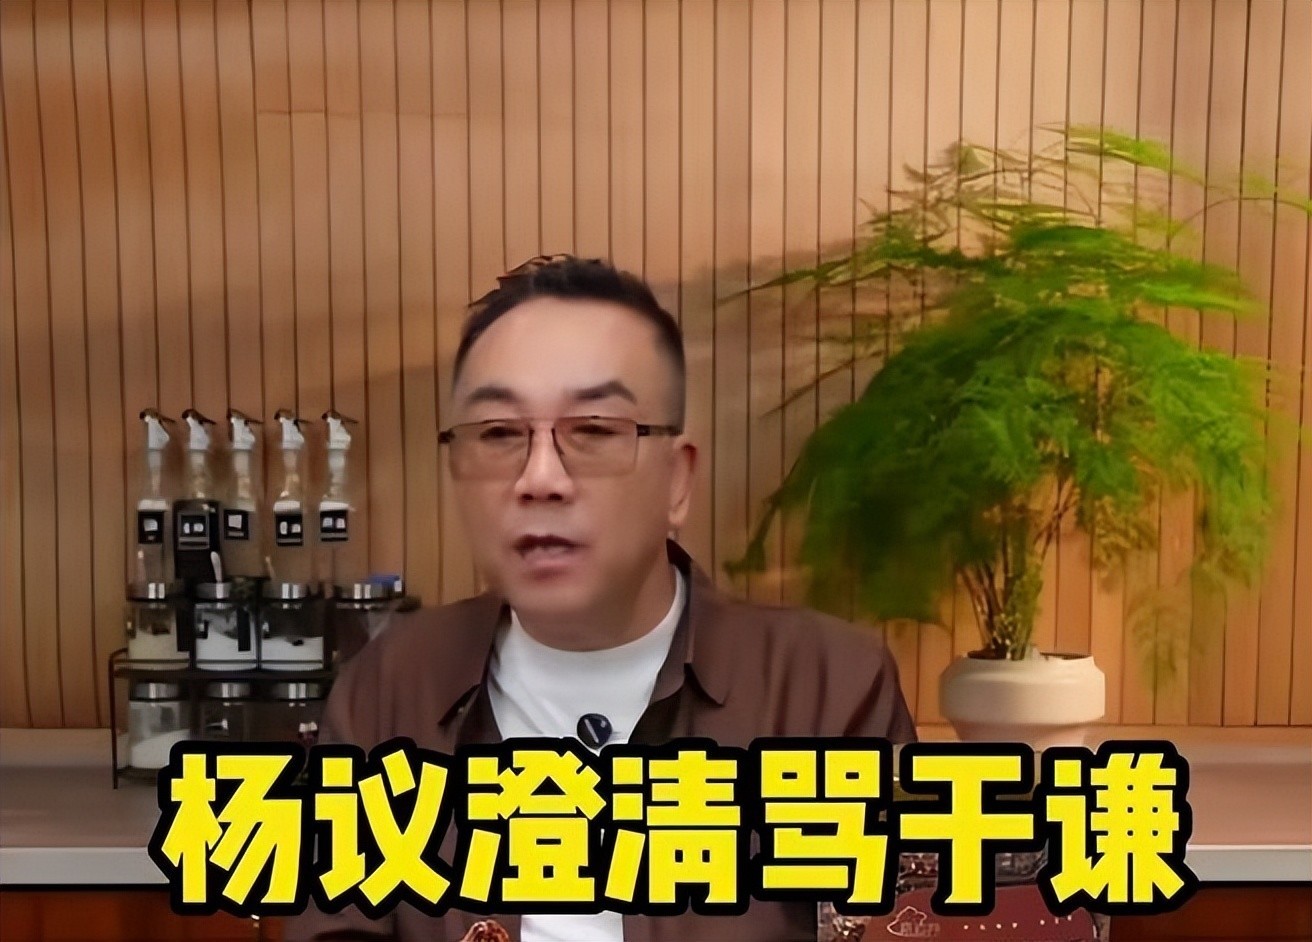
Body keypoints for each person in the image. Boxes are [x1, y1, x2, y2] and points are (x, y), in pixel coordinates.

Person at [287, 255, 917, 942]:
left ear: (677, 482)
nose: (540, 478)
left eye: (592, 431)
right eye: (498, 434)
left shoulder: (826, 688)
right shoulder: (388, 688)